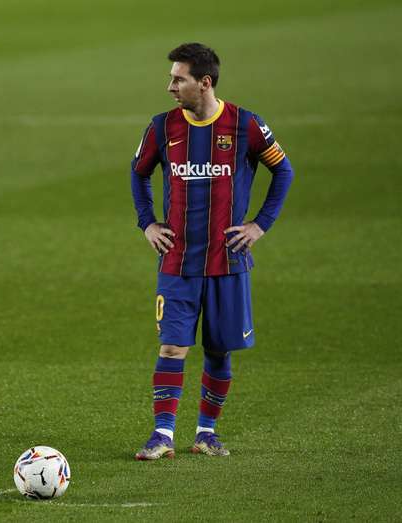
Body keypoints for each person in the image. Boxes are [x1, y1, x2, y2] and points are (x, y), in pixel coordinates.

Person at [131, 43, 294, 459]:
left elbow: (283, 170)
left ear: (204, 83)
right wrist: (147, 222)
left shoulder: (246, 124)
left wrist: (260, 225)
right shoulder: (161, 128)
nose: (170, 86)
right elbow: (139, 174)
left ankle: (206, 433)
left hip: (228, 260)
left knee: (219, 349)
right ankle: (162, 436)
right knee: (172, 347)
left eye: (178, 78)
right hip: (178, 261)